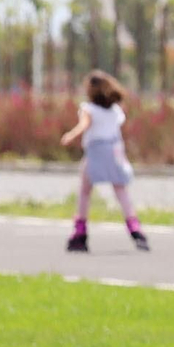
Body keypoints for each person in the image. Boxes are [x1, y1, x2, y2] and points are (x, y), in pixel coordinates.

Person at [60, 70, 148, 253]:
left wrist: (70, 135)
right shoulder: (115, 110)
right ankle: (135, 228)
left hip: (96, 152)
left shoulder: (89, 109)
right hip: (115, 150)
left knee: (85, 191)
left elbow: (85, 124)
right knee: (120, 189)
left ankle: (80, 232)